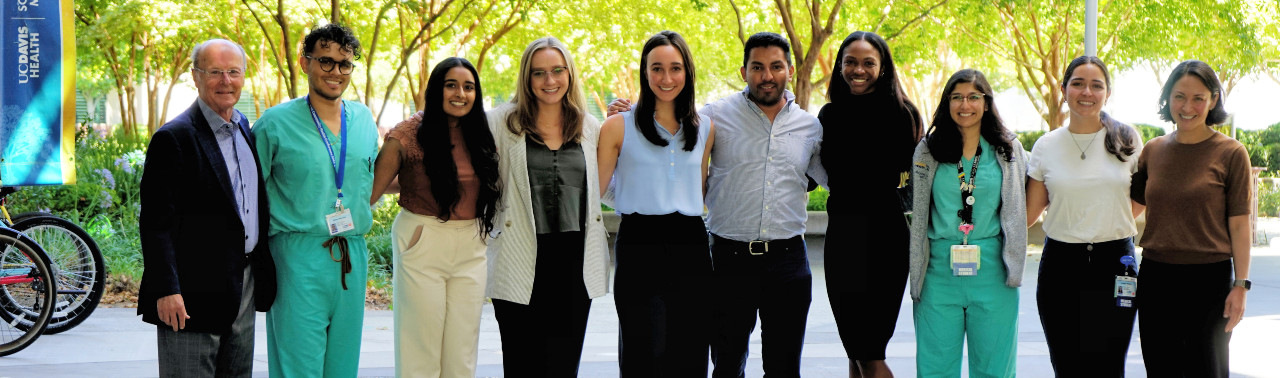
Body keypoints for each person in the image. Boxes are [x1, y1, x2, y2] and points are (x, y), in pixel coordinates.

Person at [611, 31, 825, 378]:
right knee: (726, 364)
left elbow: (834, 178)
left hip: (789, 262)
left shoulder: (810, 127)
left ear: (789, 69)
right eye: (757, 67)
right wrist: (625, 119)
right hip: (730, 260)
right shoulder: (712, 118)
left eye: (775, 66)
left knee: (785, 367)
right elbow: (661, 141)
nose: (766, 76)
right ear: (744, 71)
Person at [138, 38, 276, 378]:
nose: (225, 81)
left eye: (233, 72)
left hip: (242, 285)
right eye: (215, 72)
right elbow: (156, 224)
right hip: (190, 292)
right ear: (196, 77)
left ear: (244, 76)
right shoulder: (174, 138)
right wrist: (167, 289)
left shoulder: (245, 127)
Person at [252, 23, 378, 377]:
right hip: (297, 257)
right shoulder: (274, 124)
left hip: (351, 255)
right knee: (299, 366)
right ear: (304, 62)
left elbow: (371, 180)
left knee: (342, 366)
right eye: (325, 61)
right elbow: (247, 194)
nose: (335, 72)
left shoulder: (365, 120)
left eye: (344, 64)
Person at [485, 36, 611, 376]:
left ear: (569, 74)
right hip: (519, 256)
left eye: (557, 71)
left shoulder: (590, 127)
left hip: (573, 263)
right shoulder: (500, 123)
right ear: (527, 78)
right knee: (521, 363)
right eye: (539, 73)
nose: (549, 81)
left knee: (563, 365)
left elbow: (609, 189)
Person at [370, 57, 500, 378]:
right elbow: (371, 191)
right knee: (421, 347)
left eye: (468, 87)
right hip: (423, 240)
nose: (460, 93)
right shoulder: (408, 134)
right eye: (451, 85)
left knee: (462, 351)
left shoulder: (483, 132)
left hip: (472, 244)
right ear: (436, 90)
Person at [597, 30, 716, 376]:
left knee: (691, 351)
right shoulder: (618, 126)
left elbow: (701, 189)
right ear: (644, 72)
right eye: (657, 68)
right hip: (639, 245)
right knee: (642, 352)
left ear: (687, 72)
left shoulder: (706, 127)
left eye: (675, 68)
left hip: (692, 246)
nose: (666, 78)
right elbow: (598, 193)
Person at [1131, 59, 1252, 377]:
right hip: (1156, 278)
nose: (1187, 106)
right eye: (1179, 96)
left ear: (1213, 100)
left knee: (1208, 370)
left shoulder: (1231, 152)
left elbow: (1239, 225)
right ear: (1167, 99)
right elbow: (1131, 207)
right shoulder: (1153, 151)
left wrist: (1240, 285)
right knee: (1160, 368)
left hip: (1209, 283)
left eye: (1198, 98)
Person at [1025, 56, 1144, 377]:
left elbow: (1138, 200)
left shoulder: (1128, 140)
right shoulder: (1046, 146)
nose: (1086, 92)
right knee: (1067, 364)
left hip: (1117, 264)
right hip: (1061, 266)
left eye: (1096, 85)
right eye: (1077, 83)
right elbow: (1029, 214)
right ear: (1064, 90)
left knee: (1109, 365)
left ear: (1107, 93)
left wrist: (1104, 222)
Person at [908, 69, 1027, 377]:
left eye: (974, 97)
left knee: (995, 369)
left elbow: (1018, 207)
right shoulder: (928, 150)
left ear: (986, 103)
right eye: (957, 97)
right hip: (938, 272)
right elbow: (919, 209)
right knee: (935, 368)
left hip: (993, 271)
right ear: (947, 102)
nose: (966, 105)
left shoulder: (1008, 149)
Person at [817, 31, 921, 378]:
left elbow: (917, 178)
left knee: (869, 351)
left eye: (867, 63)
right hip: (842, 240)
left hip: (884, 241)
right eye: (850, 62)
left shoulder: (902, 113)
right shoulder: (829, 115)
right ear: (840, 66)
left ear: (883, 67)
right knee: (854, 348)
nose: (857, 69)